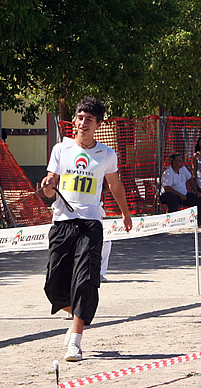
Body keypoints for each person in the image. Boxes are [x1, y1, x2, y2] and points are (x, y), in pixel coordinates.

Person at [41, 97, 133, 362]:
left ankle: (76, 340)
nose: (82, 123)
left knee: (85, 281)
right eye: (79, 118)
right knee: (53, 286)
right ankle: (78, 315)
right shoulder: (61, 149)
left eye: (88, 119)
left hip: (90, 224)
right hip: (62, 223)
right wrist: (48, 183)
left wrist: (126, 214)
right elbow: (50, 190)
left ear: (98, 124)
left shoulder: (106, 154)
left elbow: (115, 185)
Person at [160, 153, 201, 218]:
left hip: (183, 194)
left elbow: (190, 179)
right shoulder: (168, 173)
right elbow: (167, 188)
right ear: (174, 162)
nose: (182, 162)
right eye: (179, 161)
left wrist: (196, 190)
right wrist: (180, 195)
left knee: (199, 198)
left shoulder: (183, 169)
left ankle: (198, 220)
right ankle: (173, 219)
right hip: (168, 195)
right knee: (173, 198)